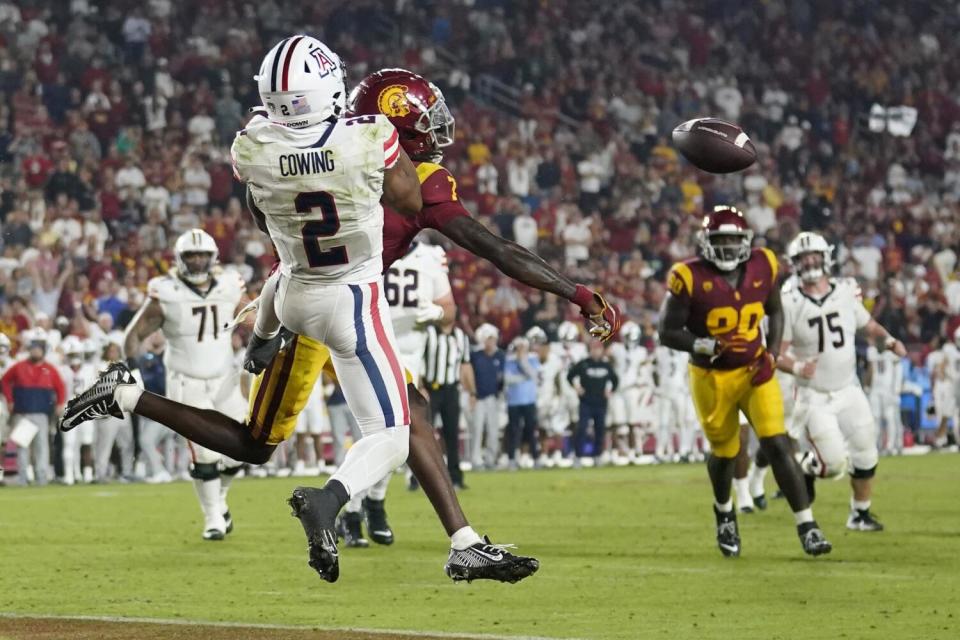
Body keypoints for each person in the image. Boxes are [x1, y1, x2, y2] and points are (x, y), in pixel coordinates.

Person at [62, 64, 618, 583]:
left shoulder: (323, 149)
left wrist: (266, 314)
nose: (437, 133)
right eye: (424, 123)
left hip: (295, 294)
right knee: (274, 442)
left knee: (407, 413)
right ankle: (143, 403)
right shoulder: (406, 174)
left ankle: (464, 540)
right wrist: (576, 292)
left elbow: (267, 206)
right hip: (336, 308)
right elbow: (493, 247)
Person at [658, 206, 831, 558]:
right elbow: (667, 331)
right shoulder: (687, 276)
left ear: (746, 242)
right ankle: (724, 513)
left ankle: (808, 526)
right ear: (705, 242)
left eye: (733, 240)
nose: (726, 247)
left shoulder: (764, 263)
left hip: (755, 371)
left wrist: (770, 352)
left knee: (777, 444)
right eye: (719, 240)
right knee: (725, 453)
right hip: (711, 376)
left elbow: (775, 310)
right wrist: (703, 344)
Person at [121, 228, 249, 539]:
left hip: (224, 378)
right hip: (185, 382)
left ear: (213, 257)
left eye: (202, 255)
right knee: (205, 454)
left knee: (241, 449)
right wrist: (134, 373)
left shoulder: (230, 284)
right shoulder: (166, 291)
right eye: (191, 256)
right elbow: (134, 335)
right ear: (180, 259)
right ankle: (212, 518)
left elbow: (253, 316)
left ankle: (219, 501)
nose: (196, 261)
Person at [777, 231, 906, 532]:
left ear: (826, 258)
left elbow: (868, 326)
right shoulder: (788, 301)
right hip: (813, 396)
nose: (809, 263)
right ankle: (807, 469)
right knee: (833, 465)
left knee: (866, 452)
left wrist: (888, 341)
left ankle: (859, 514)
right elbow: (776, 353)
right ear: (794, 264)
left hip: (849, 388)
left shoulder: (845, 293)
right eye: (803, 259)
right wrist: (796, 366)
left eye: (814, 257)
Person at [1, 330, 65, 486]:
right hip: (22, 413)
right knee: (23, 448)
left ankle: (41, 478)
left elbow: (60, 387)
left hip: (42, 414)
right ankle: (23, 478)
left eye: (38, 349)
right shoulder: (19, 367)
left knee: (41, 447)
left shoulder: (50, 369)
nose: (35, 351)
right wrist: (9, 400)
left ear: (43, 351)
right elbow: (4, 381)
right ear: (29, 350)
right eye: (33, 349)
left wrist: (60, 404)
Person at [567, 340, 618, 466]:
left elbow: (615, 380)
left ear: (602, 350)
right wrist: (577, 387)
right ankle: (578, 456)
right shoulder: (584, 364)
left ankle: (597, 456)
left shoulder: (606, 365)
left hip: (601, 402)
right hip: (586, 402)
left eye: (598, 349)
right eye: (594, 349)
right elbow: (570, 376)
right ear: (590, 350)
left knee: (600, 430)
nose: (596, 351)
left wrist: (610, 391)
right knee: (582, 429)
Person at [470, 323, 505, 470]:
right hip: (477, 398)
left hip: (493, 397)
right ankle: (476, 460)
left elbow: (502, 378)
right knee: (476, 430)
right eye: (488, 339)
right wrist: (471, 393)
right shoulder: (475, 356)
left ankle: (491, 459)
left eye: (492, 339)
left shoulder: (500, 356)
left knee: (493, 430)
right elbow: (469, 375)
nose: (491, 342)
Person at [503, 335, 540, 469]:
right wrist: (524, 377)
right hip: (513, 401)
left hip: (529, 400)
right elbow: (507, 379)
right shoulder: (509, 360)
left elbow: (534, 375)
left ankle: (536, 458)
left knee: (531, 430)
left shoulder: (532, 358)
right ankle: (512, 459)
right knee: (513, 431)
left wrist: (522, 361)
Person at [866, 335, 905, 455]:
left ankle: (891, 446)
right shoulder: (872, 351)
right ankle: (876, 445)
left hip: (888, 390)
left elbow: (899, 368)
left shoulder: (891, 354)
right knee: (875, 418)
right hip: (876, 390)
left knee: (890, 417)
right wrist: (868, 386)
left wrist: (896, 388)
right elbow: (870, 369)